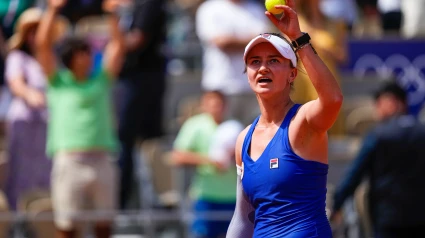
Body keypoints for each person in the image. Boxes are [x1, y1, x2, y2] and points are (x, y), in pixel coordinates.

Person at [225, 0, 343, 236]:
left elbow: (333, 99)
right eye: (255, 62)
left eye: (274, 60)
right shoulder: (243, 139)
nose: (263, 68)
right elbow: (243, 218)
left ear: (292, 75)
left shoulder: (303, 121)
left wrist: (297, 37)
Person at [35, 0, 125, 237]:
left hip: (102, 158)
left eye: (87, 52)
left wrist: (111, 14)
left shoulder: (101, 80)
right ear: (70, 58)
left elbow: (118, 46)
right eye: (81, 53)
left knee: (104, 227)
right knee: (67, 227)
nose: (86, 57)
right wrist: (53, 10)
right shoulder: (58, 83)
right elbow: (42, 46)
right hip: (69, 161)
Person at [330, 81, 425, 238]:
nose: (377, 109)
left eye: (379, 103)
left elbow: (354, 174)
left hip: (388, 219)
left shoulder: (378, 134)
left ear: (394, 102)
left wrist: (336, 204)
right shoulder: (422, 131)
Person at [4, 7, 67, 210]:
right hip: (25, 125)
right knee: (21, 177)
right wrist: (30, 95)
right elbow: (16, 84)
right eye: (33, 30)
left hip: (49, 128)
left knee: (47, 177)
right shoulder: (17, 58)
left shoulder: (54, 61)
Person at [116, 0, 167, 210]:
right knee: (127, 144)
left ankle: (129, 201)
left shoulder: (150, 4)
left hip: (143, 82)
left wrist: (111, 43)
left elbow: (137, 40)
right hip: (138, 80)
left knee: (132, 142)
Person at [171, 90, 238, 238]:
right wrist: (210, 160)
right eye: (211, 105)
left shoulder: (234, 127)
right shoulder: (194, 125)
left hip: (233, 198)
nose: (216, 109)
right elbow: (177, 156)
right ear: (204, 106)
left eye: (219, 105)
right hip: (205, 196)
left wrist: (233, 158)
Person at [195, 0, 270, 126]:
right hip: (221, 88)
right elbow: (222, 43)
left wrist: (235, 40)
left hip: (253, 89)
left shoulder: (256, 9)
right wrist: (254, 41)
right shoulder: (209, 8)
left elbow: (266, 42)